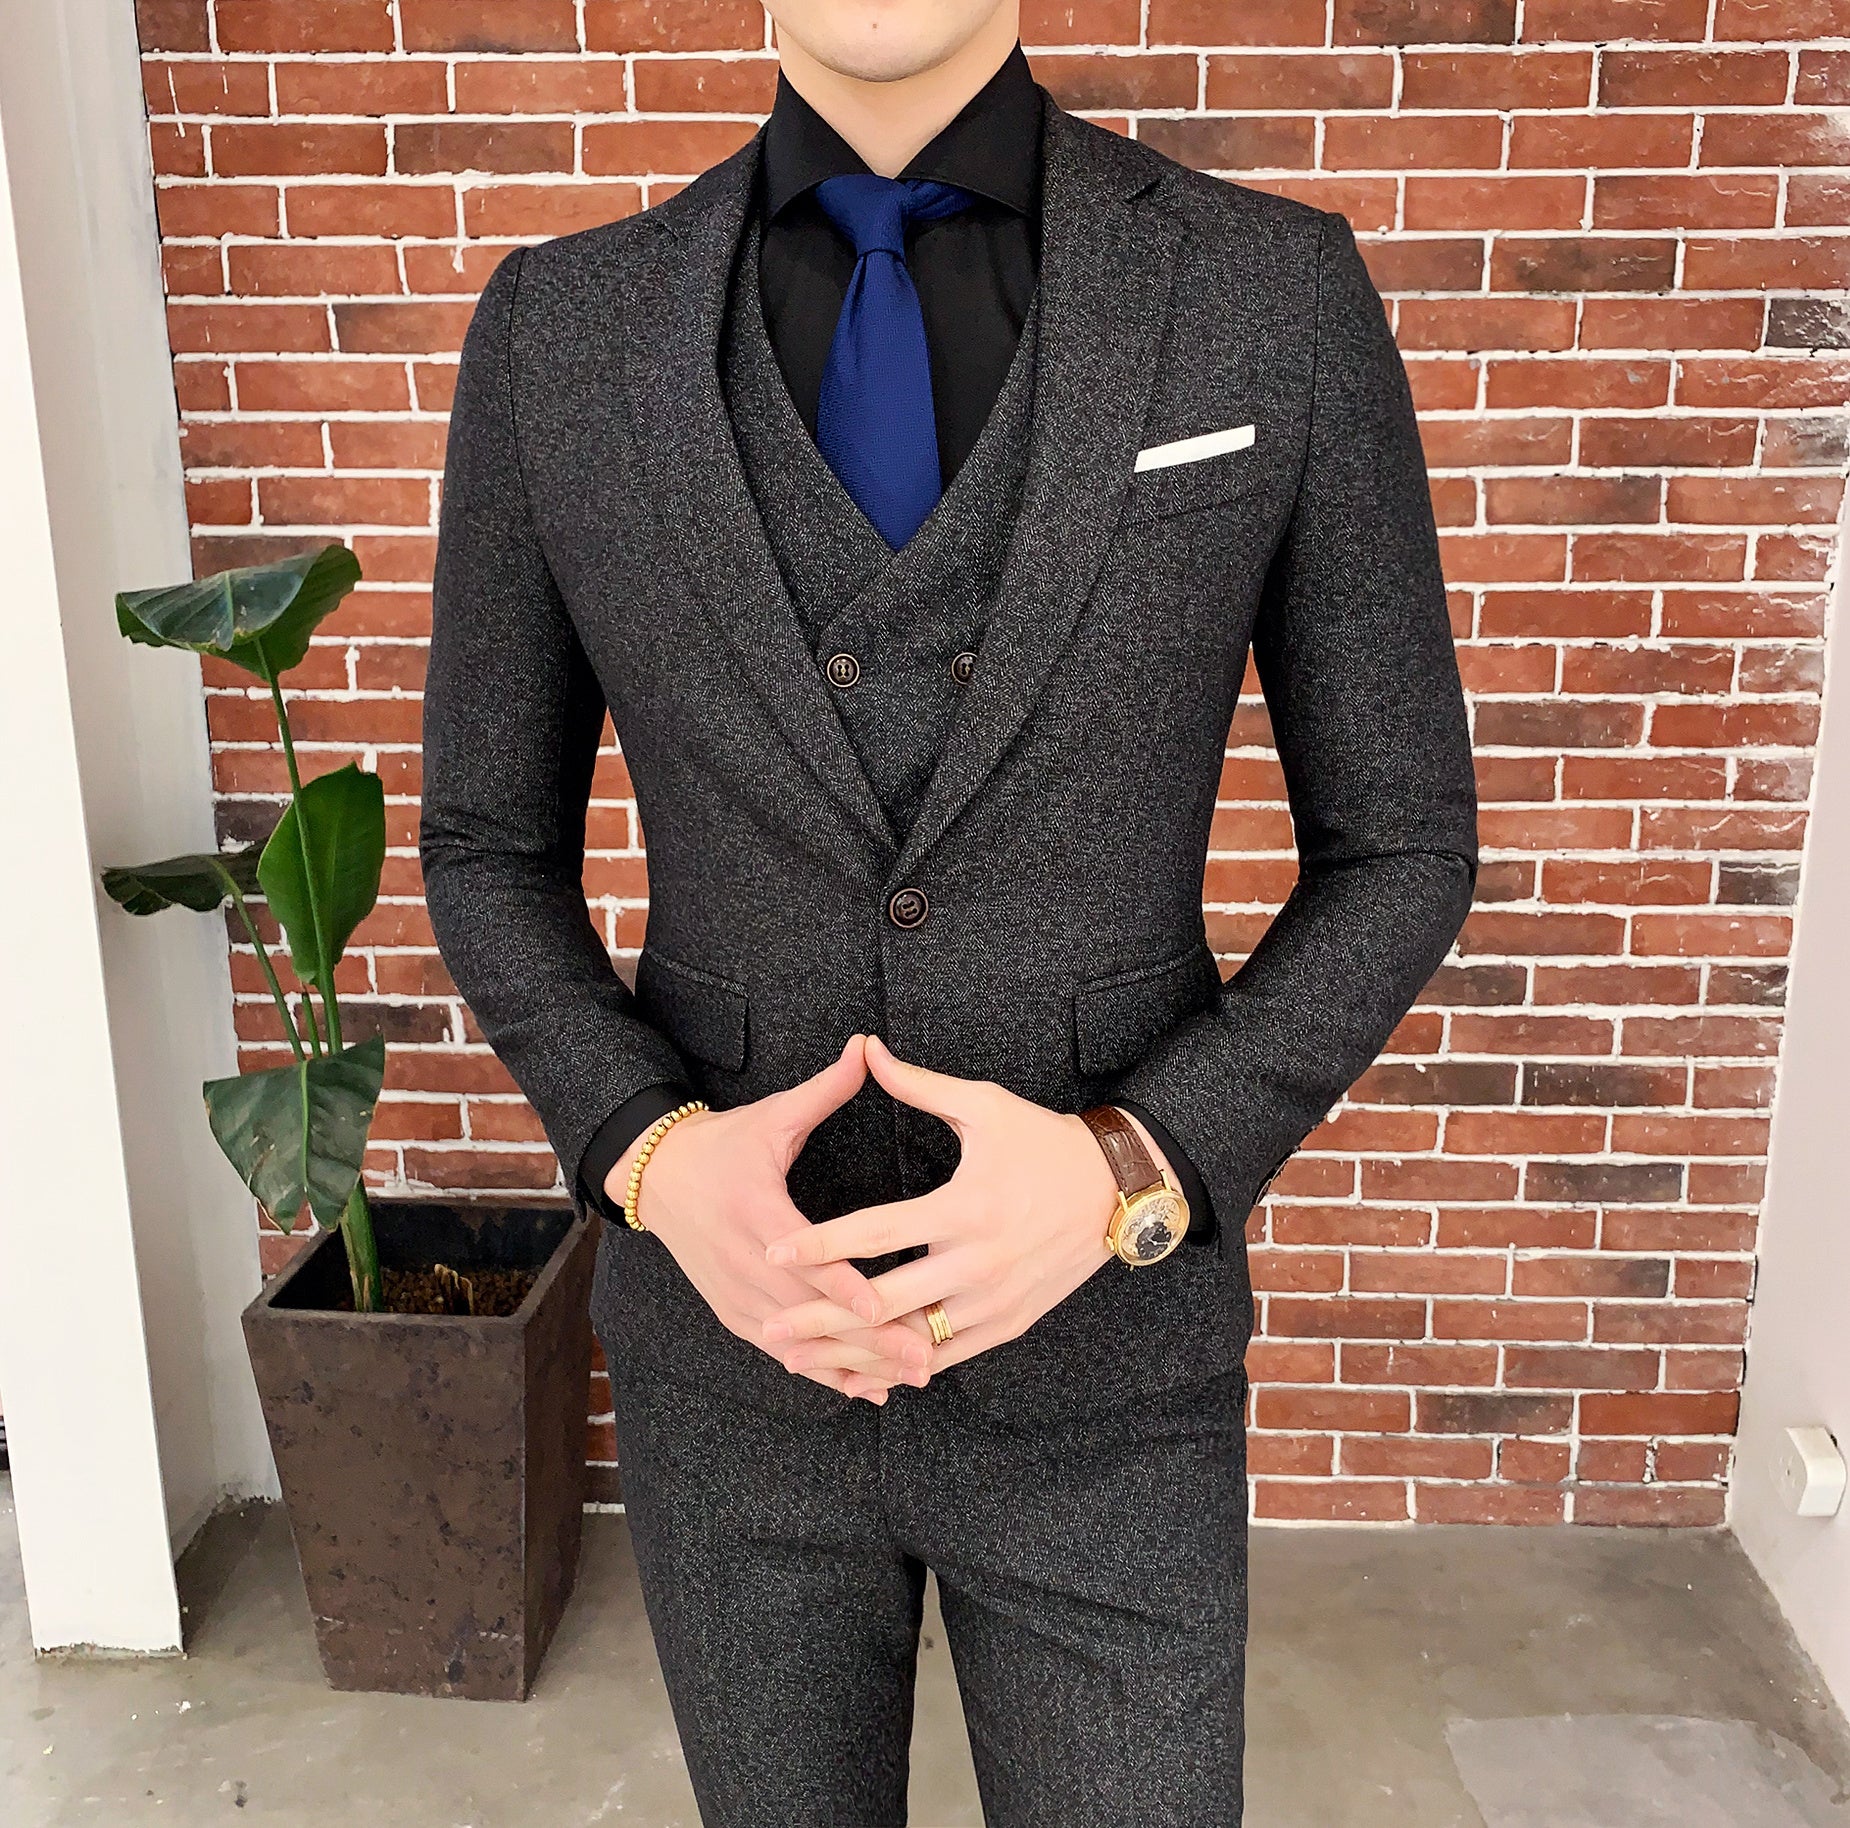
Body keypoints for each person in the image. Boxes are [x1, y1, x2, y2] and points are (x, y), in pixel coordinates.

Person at [419, 2, 1477, 1821]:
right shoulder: (560, 332)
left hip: (1110, 1375)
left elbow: (1399, 841)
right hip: (733, 1362)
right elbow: (482, 842)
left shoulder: (1268, 293)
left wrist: (1134, 1168)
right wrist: (656, 1162)